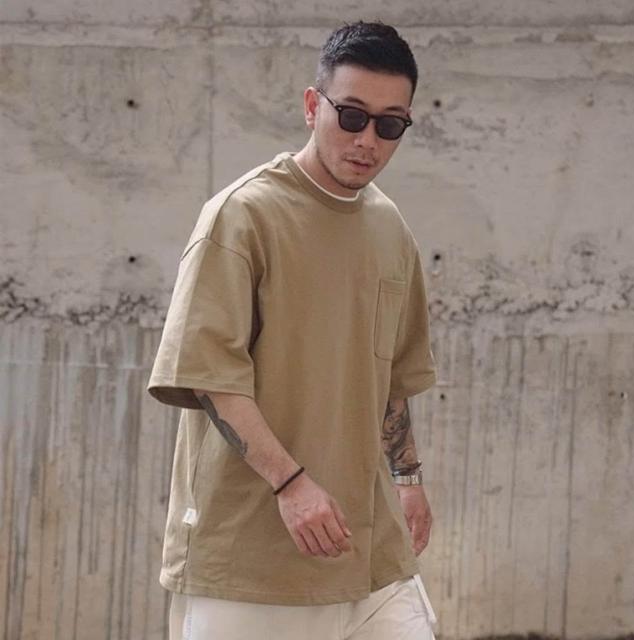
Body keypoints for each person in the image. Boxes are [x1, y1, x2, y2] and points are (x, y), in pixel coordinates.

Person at [147, 20, 439, 640]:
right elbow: (210, 377)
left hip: (370, 556)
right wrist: (292, 483)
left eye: (390, 125)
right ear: (312, 106)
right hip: (251, 562)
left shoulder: (391, 229)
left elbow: (392, 377)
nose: (367, 140)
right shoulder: (242, 216)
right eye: (351, 115)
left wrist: (408, 480)